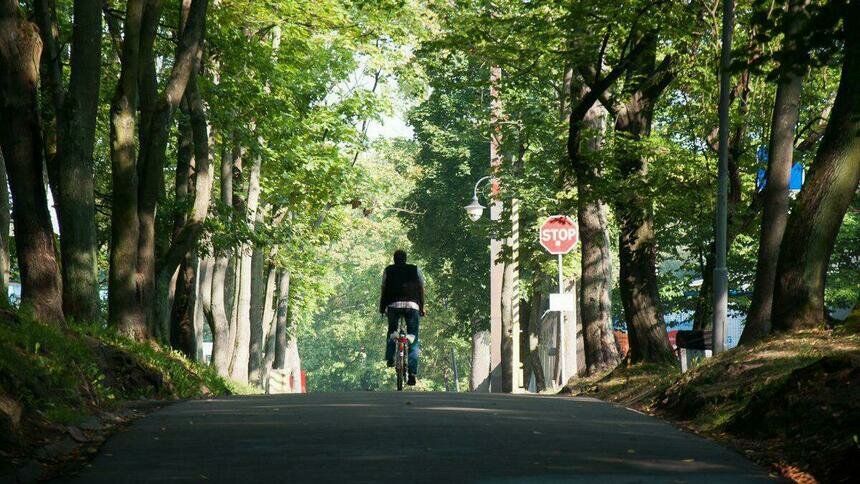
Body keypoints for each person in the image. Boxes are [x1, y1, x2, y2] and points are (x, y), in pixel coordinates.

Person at [379, 249, 425, 386]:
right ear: (406, 258)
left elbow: (383, 289)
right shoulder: (415, 269)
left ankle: (390, 358)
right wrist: (422, 307)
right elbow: (422, 288)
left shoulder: (388, 270)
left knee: (392, 330)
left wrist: (382, 308)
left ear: (394, 259)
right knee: (413, 338)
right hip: (412, 305)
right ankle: (412, 373)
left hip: (393, 304)